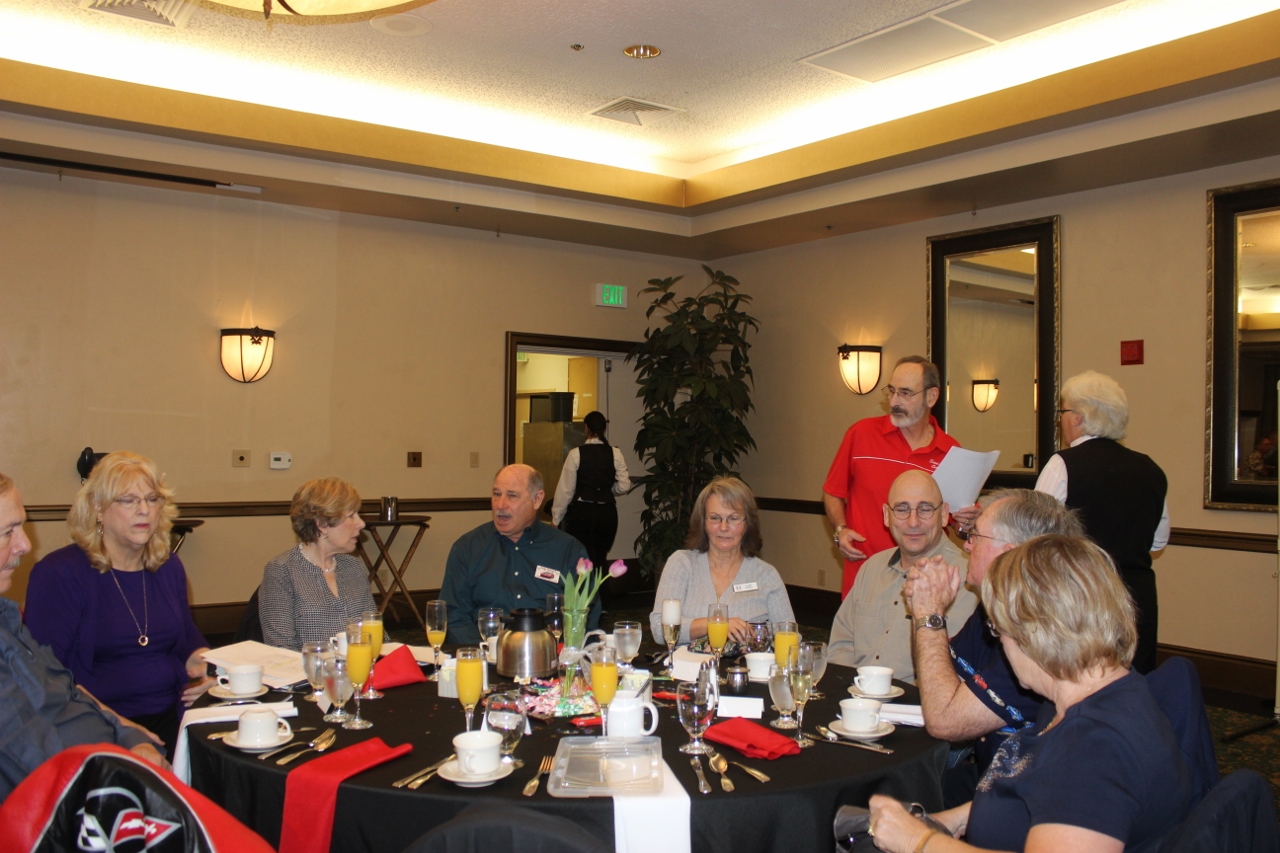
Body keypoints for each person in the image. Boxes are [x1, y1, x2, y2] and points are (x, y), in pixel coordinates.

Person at [869, 535, 1191, 853]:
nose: (999, 643)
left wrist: (918, 841)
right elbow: (1037, 792)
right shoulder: (1080, 698)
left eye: (999, 629)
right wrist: (954, 820)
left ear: (1037, 632)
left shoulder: (1096, 747)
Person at [25, 452, 211, 757]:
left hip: (173, 710)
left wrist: (205, 665)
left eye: (152, 499)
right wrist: (126, 732)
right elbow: (48, 677)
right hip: (95, 721)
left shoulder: (167, 566)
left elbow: (185, 635)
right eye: (128, 500)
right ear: (98, 508)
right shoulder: (59, 573)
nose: (144, 510)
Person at [905, 489, 1082, 802]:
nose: (967, 544)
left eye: (975, 535)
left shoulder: (1039, 638)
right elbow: (938, 682)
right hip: (991, 777)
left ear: (1007, 555)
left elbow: (946, 722)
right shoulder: (994, 609)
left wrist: (929, 616)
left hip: (1029, 796)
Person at [0, 472, 168, 802]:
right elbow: (36, 760)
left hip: (110, 753)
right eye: (8, 532)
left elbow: (64, 687)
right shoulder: (60, 573)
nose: (25, 544)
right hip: (85, 794)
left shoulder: (6, 616)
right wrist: (124, 777)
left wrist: (129, 736)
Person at [1035, 370, 1168, 674]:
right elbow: (1158, 541)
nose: (1061, 419)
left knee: (1081, 677)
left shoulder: (1062, 464)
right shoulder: (1150, 468)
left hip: (1080, 593)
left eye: (1063, 412)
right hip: (1136, 595)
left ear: (1078, 417)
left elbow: (1036, 532)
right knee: (1132, 678)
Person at [823, 356, 976, 597]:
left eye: (905, 393)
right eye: (892, 391)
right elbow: (833, 492)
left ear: (931, 397)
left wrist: (967, 523)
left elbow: (957, 523)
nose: (894, 401)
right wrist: (840, 530)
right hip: (865, 576)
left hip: (925, 580)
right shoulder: (860, 434)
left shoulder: (950, 451)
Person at [827, 470, 976, 681]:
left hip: (917, 699)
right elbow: (841, 646)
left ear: (944, 514)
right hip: (856, 693)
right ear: (887, 515)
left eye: (925, 509)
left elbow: (959, 671)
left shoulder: (967, 579)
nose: (913, 522)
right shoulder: (871, 568)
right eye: (902, 509)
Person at [440, 464, 591, 644]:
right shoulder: (467, 548)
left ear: (537, 499)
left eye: (512, 496)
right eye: (497, 494)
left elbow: (586, 616)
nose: (501, 505)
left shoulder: (567, 550)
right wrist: (485, 653)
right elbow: (454, 616)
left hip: (550, 654)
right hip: (485, 654)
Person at [648, 477, 794, 645]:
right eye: (715, 518)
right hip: (687, 662)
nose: (723, 527)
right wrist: (715, 624)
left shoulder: (766, 575)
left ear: (747, 524)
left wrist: (759, 638)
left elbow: (790, 636)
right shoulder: (682, 564)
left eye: (733, 518)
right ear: (703, 522)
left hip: (745, 661)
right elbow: (659, 630)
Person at [259, 477, 376, 651]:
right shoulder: (282, 571)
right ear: (322, 524)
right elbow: (280, 648)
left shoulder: (353, 567)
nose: (361, 523)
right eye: (351, 516)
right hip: (308, 668)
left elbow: (375, 634)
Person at [553, 410, 632, 569]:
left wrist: (556, 518)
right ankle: (602, 584)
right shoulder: (615, 453)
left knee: (582, 558)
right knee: (600, 557)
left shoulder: (575, 454)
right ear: (604, 429)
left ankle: (583, 585)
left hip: (583, 512)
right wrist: (609, 490)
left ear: (586, 428)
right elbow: (625, 485)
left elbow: (566, 490)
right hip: (607, 513)